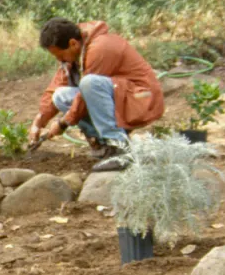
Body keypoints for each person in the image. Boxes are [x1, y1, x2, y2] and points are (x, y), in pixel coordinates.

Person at [27, 17, 164, 171]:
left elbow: (85, 97)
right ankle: (103, 146)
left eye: (60, 56)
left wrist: (63, 123)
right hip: (121, 96)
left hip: (141, 99)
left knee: (89, 83)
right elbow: (57, 84)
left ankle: (119, 148)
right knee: (60, 96)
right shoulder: (78, 49)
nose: (60, 60)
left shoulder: (100, 48)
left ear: (73, 43)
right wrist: (38, 123)